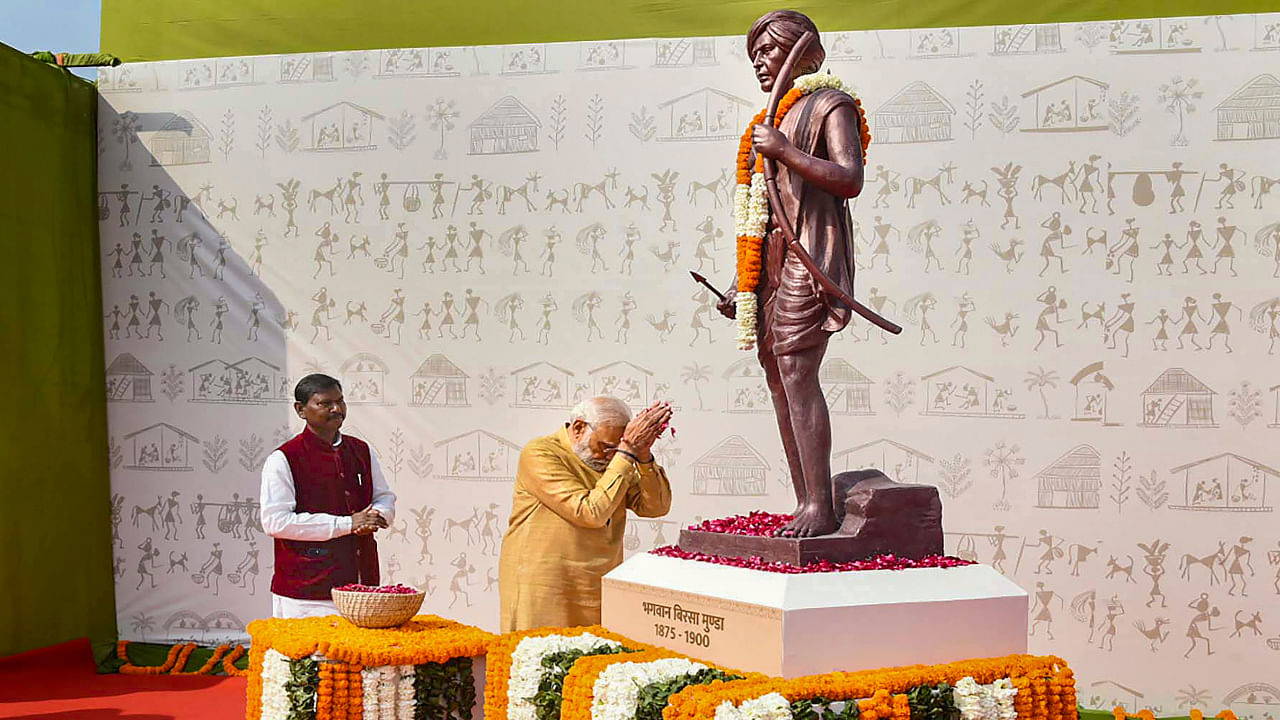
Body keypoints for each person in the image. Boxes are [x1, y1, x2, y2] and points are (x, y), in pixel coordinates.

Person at [716, 10, 864, 537]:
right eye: (754, 54)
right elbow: (761, 207)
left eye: (770, 51)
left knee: (799, 374)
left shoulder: (831, 105)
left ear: (805, 55)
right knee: (777, 378)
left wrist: (785, 150)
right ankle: (805, 500)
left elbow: (848, 178)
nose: (760, 61)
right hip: (774, 260)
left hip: (811, 254)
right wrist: (743, 281)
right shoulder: (769, 119)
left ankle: (819, 507)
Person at [499, 396, 672, 631]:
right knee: (537, 660)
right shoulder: (541, 453)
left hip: (595, 582)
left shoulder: (616, 460)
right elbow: (589, 512)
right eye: (606, 446)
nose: (611, 455)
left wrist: (643, 455)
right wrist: (626, 452)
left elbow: (656, 507)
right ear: (579, 427)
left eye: (618, 448)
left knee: (590, 661)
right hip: (546, 584)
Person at [260, 374, 396, 618]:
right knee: (306, 657)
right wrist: (347, 524)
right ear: (301, 410)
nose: (337, 409)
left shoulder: (360, 450)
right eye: (325, 403)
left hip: (361, 582)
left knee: (357, 655)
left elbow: (384, 496)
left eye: (341, 401)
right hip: (306, 590)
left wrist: (377, 516)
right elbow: (275, 522)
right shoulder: (284, 459)